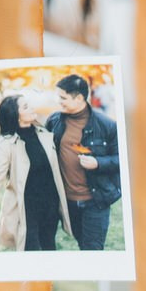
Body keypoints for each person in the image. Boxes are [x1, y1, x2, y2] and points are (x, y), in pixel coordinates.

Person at [0, 93, 72, 252]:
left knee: (49, 249)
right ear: (15, 115)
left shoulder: (45, 135)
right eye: (26, 106)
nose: (32, 108)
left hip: (50, 206)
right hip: (26, 210)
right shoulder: (5, 145)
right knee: (29, 254)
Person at [46, 73, 122, 251]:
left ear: (79, 98)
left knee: (93, 251)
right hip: (67, 203)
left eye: (63, 97)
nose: (59, 101)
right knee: (82, 244)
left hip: (95, 202)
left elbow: (123, 159)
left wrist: (98, 163)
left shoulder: (107, 125)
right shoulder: (54, 121)